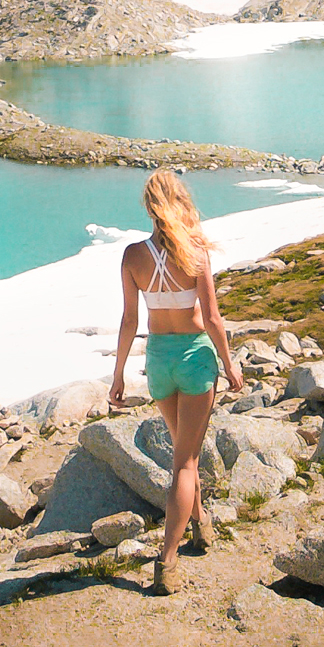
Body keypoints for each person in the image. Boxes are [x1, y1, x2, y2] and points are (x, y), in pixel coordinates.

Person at [108, 168, 243, 593]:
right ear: (179, 201)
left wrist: (118, 376)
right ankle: (167, 563)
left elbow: (130, 320)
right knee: (185, 462)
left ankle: (201, 526)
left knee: (185, 454)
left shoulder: (132, 256)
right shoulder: (197, 252)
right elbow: (214, 319)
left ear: (149, 207)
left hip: (159, 361)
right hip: (195, 358)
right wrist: (229, 363)